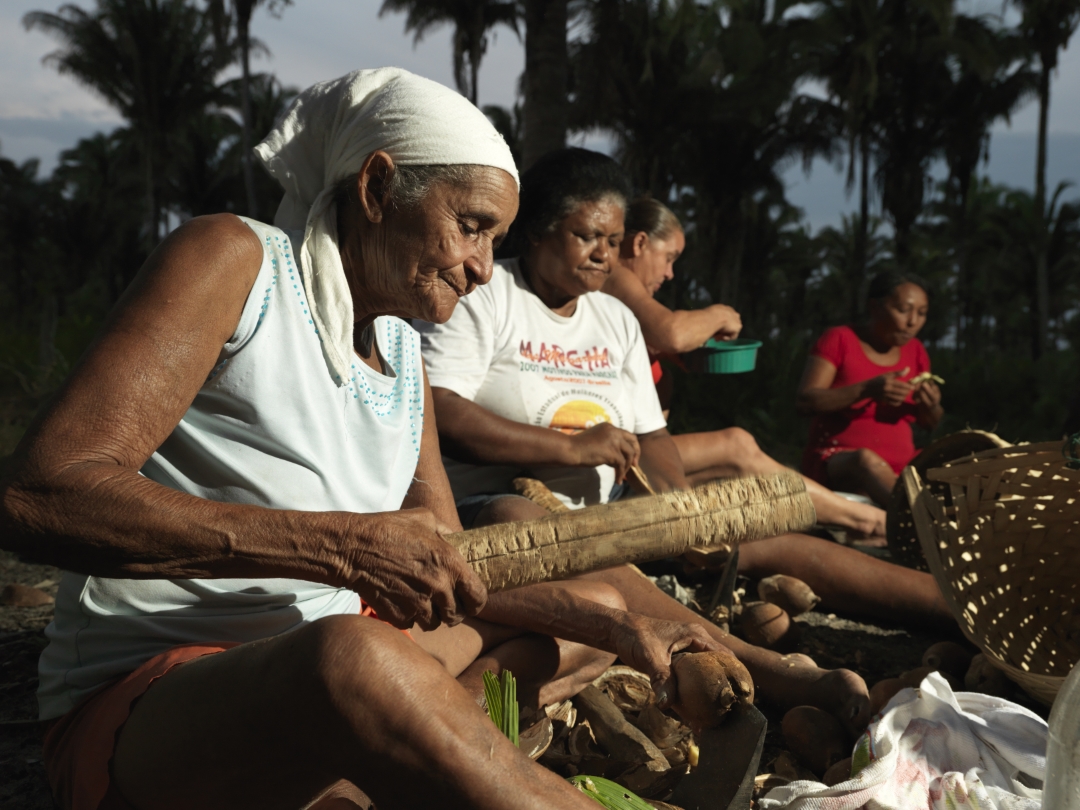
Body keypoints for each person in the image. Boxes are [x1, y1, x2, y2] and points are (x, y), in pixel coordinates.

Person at [0, 71, 722, 810]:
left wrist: (624, 624)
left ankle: (404, 761)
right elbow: (40, 493)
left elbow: (453, 561)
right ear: (377, 188)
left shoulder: (405, 356)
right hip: (160, 699)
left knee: (585, 618)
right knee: (354, 656)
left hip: (331, 667)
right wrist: (341, 548)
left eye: (495, 240)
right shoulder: (236, 262)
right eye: (471, 226)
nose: (480, 268)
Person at [418, 148, 949, 736]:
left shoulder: (615, 319)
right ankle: (760, 667)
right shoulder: (487, 299)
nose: (605, 254)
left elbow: (654, 435)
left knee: (755, 523)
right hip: (494, 510)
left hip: (610, 512)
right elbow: (442, 411)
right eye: (587, 235)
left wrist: (677, 509)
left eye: (615, 240)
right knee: (540, 528)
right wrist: (568, 448)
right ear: (541, 229)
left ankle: (951, 605)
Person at [603, 197, 887, 540]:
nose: (670, 273)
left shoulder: (625, 313)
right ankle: (868, 520)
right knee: (736, 445)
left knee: (739, 472)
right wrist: (720, 314)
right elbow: (673, 332)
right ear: (640, 243)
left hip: (632, 463)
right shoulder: (614, 272)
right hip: (615, 460)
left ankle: (857, 519)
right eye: (669, 258)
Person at [797, 271, 944, 507]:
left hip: (903, 464)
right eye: (904, 310)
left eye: (922, 313)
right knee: (865, 461)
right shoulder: (840, 339)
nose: (913, 322)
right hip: (839, 459)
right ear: (875, 306)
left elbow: (930, 423)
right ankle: (916, 518)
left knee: (956, 462)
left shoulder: (916, 351)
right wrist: (866, 389)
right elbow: (806, 401)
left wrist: (932, 406)